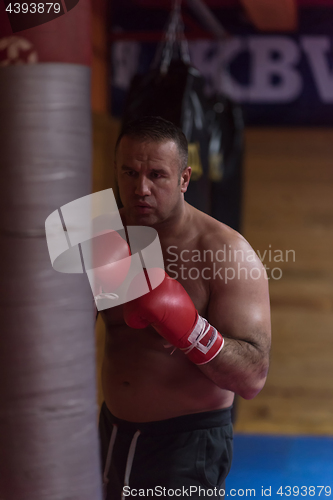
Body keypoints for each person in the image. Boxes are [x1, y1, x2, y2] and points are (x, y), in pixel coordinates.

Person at [98, 116, 271, 500]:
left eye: (157, 175)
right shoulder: (100, 234)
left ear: (184, 179)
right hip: (109, 434)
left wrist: (190, 329)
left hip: (187, 445)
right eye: (129, 172)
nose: (140, 188)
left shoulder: (225, 252)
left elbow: (253, 378)